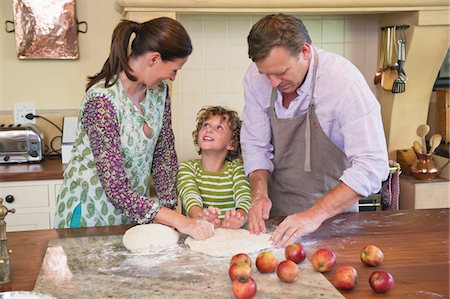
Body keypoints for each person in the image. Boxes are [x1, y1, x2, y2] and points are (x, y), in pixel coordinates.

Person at [54, 18, 214, 241]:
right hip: (90, 216)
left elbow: (164, 155)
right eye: (174, 69)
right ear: (154, 58)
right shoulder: (102, 101)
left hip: (132, 214)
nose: (173, 77)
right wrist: (177, 219)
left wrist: (168, 215)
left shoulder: (160, 93)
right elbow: (116, 187)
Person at [241, 14, 389, 247]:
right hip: (277, 222)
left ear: (306, 51)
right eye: (266, 74)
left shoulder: (343, 82)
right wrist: (259, 193)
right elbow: (255, 144)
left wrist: (314, 215)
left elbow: (372, 165)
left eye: (281, 72)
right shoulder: (255, 77)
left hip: (335, 222)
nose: (273, 82)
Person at [177, 106, 252, 229]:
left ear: (231, 143)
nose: (209, 130)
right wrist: (200, 217)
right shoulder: (187, 168)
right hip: (199, 235)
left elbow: (244, 197)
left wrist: (239, 217)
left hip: (231, 237)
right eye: (206, 125)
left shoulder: (237, 169)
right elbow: (190, 197)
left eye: (219, 127)